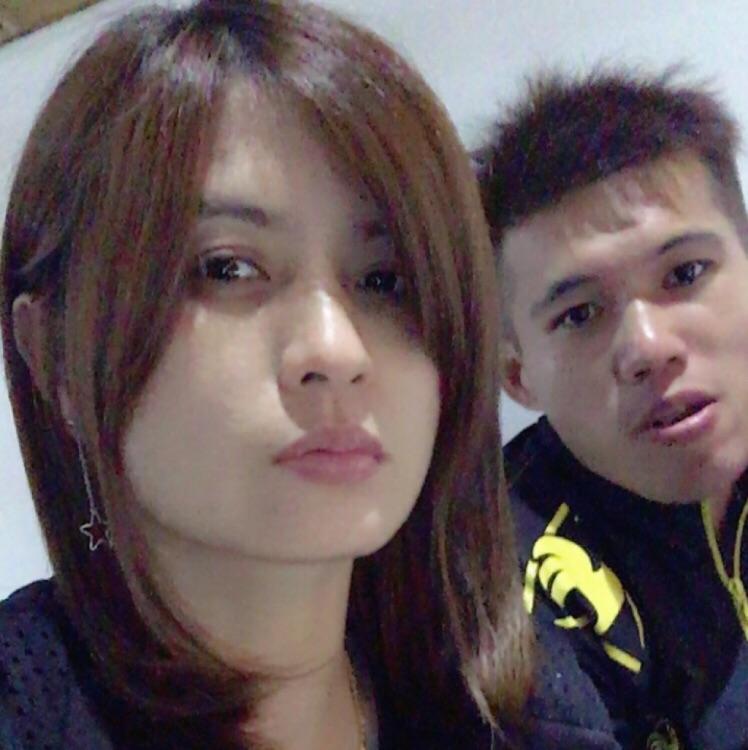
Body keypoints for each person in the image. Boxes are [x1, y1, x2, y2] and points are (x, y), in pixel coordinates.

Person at [0, 2, 535, 748]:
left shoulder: (516, 712)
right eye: (226, 268)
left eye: (385, 280)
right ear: (55, 353)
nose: (336, 350)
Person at [475, 68, 748, 749]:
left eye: (684, 274)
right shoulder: (509, 600)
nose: (647, 348)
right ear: (518, 377)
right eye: (579, 314)